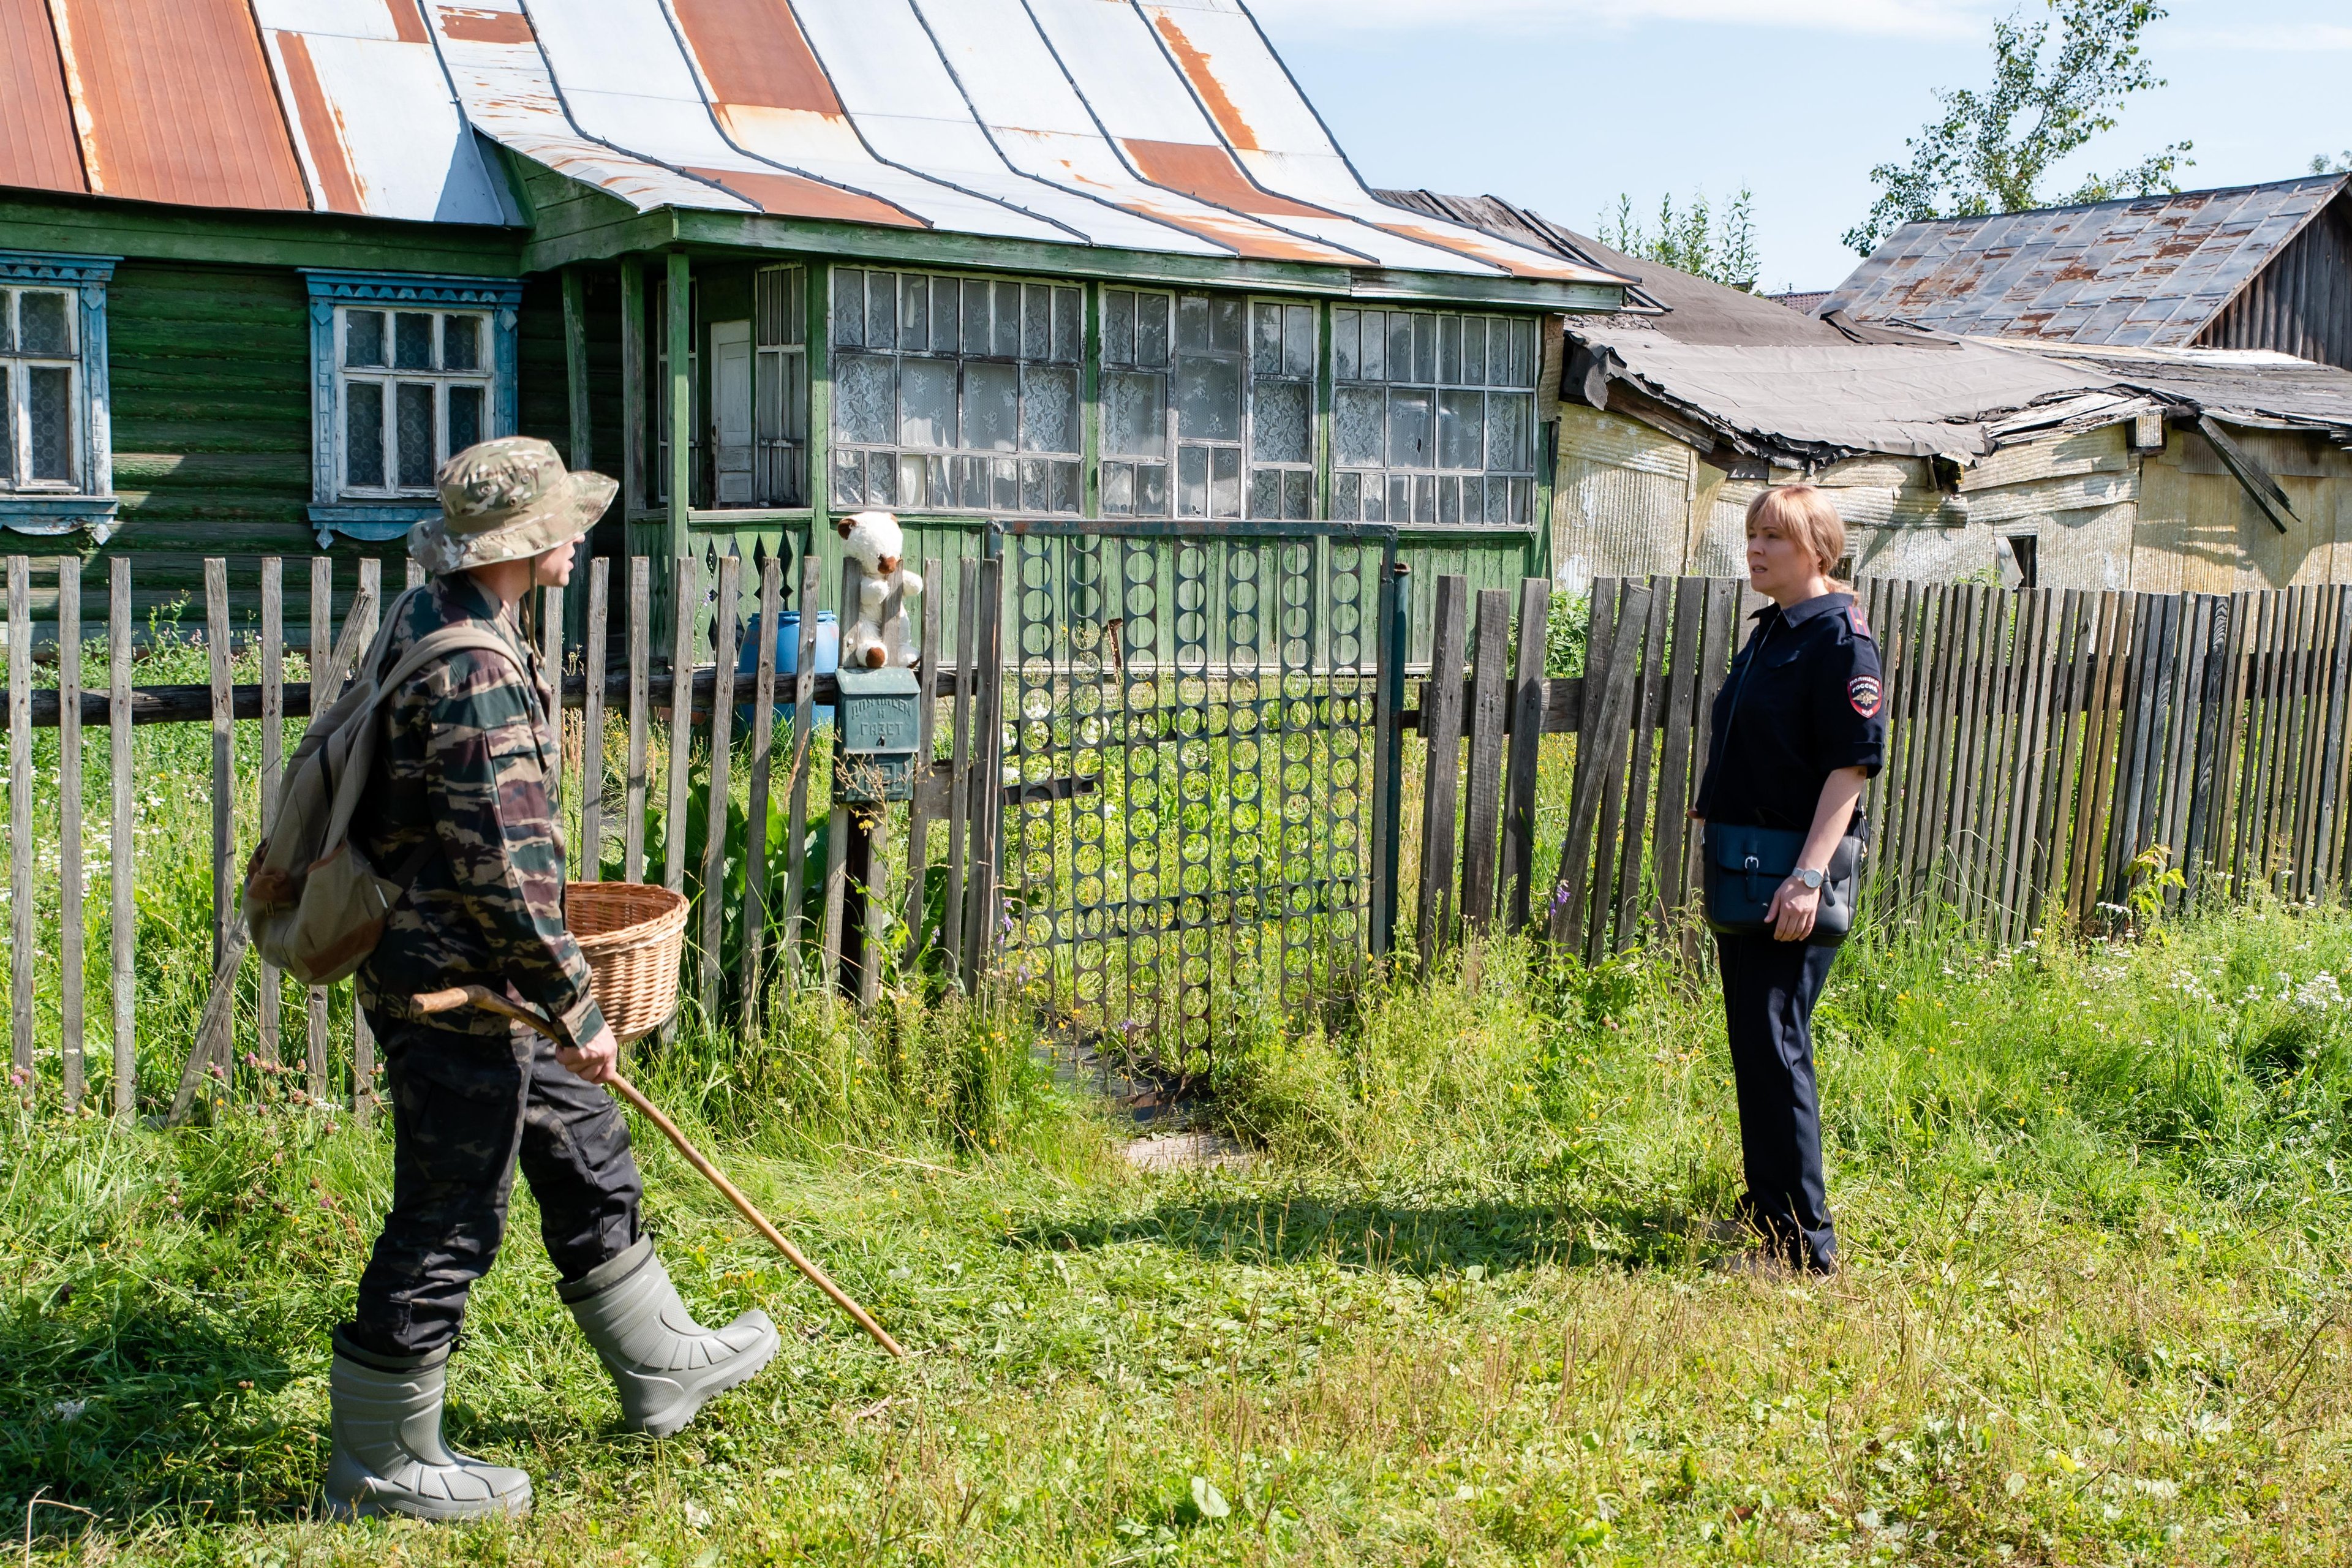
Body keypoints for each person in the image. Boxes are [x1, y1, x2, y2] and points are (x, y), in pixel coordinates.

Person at [324, 437, 778, 1522]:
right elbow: (508, 872)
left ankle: (661, 1364)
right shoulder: (474, 667)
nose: (581, 535)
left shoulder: (440, 615)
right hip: (458, 989)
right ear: (529, 544)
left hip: (484, 975)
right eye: (566, 522)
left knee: (582, 1143)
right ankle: (381, 1465)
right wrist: (581, 1006)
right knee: (449, 1213)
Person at [1689, 484, 1884, 1276]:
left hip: (1791, 878)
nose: (1756, 548)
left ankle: (1805, 1247)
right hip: (1748, 868)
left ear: (1818, 549)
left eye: (1774, 536)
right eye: (1752, 533)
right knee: (1756, 1046)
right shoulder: (1774, 632)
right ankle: (1765, 1213)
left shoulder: (1840, 639)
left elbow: (1850, 767)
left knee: (1779, 1046)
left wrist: (1807, 877)